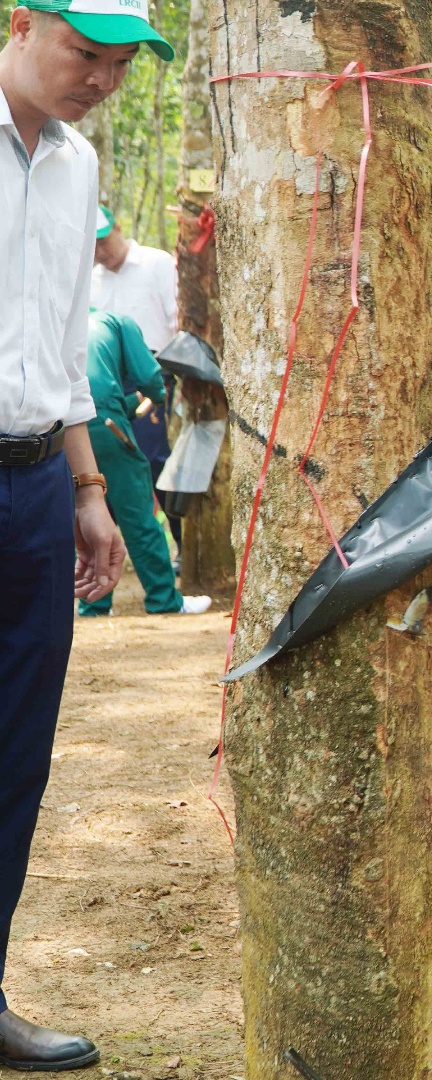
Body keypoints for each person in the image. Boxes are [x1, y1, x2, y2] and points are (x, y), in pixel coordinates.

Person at [1, 0, 169, 1066]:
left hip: (28, 486)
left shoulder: (77, 165)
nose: (100, 78)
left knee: (17, 750)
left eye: (120, 64)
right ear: (21, 22)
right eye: (84, 53)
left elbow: (65, 336)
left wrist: (88, 489)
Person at [77, 309, 210, 617]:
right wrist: (157, 394)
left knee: (91, 509)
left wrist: (131, 403)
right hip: (107, 422)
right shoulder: (119, 321)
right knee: (138, 515)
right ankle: (165, 599)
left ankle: (94, 603)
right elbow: (149, 376)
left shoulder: (70, 320)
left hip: (68, 423)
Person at [90, 202, 178, 531]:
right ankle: (116, 538)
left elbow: (178, 319)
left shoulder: (157, 263)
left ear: (118, 229)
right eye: (92, 245)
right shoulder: (90, 280)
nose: (100, 251)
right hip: (108, 385)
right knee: (107, 465)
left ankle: (181, 542)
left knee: (158, 459)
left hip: (156, 374)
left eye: (103, 240)